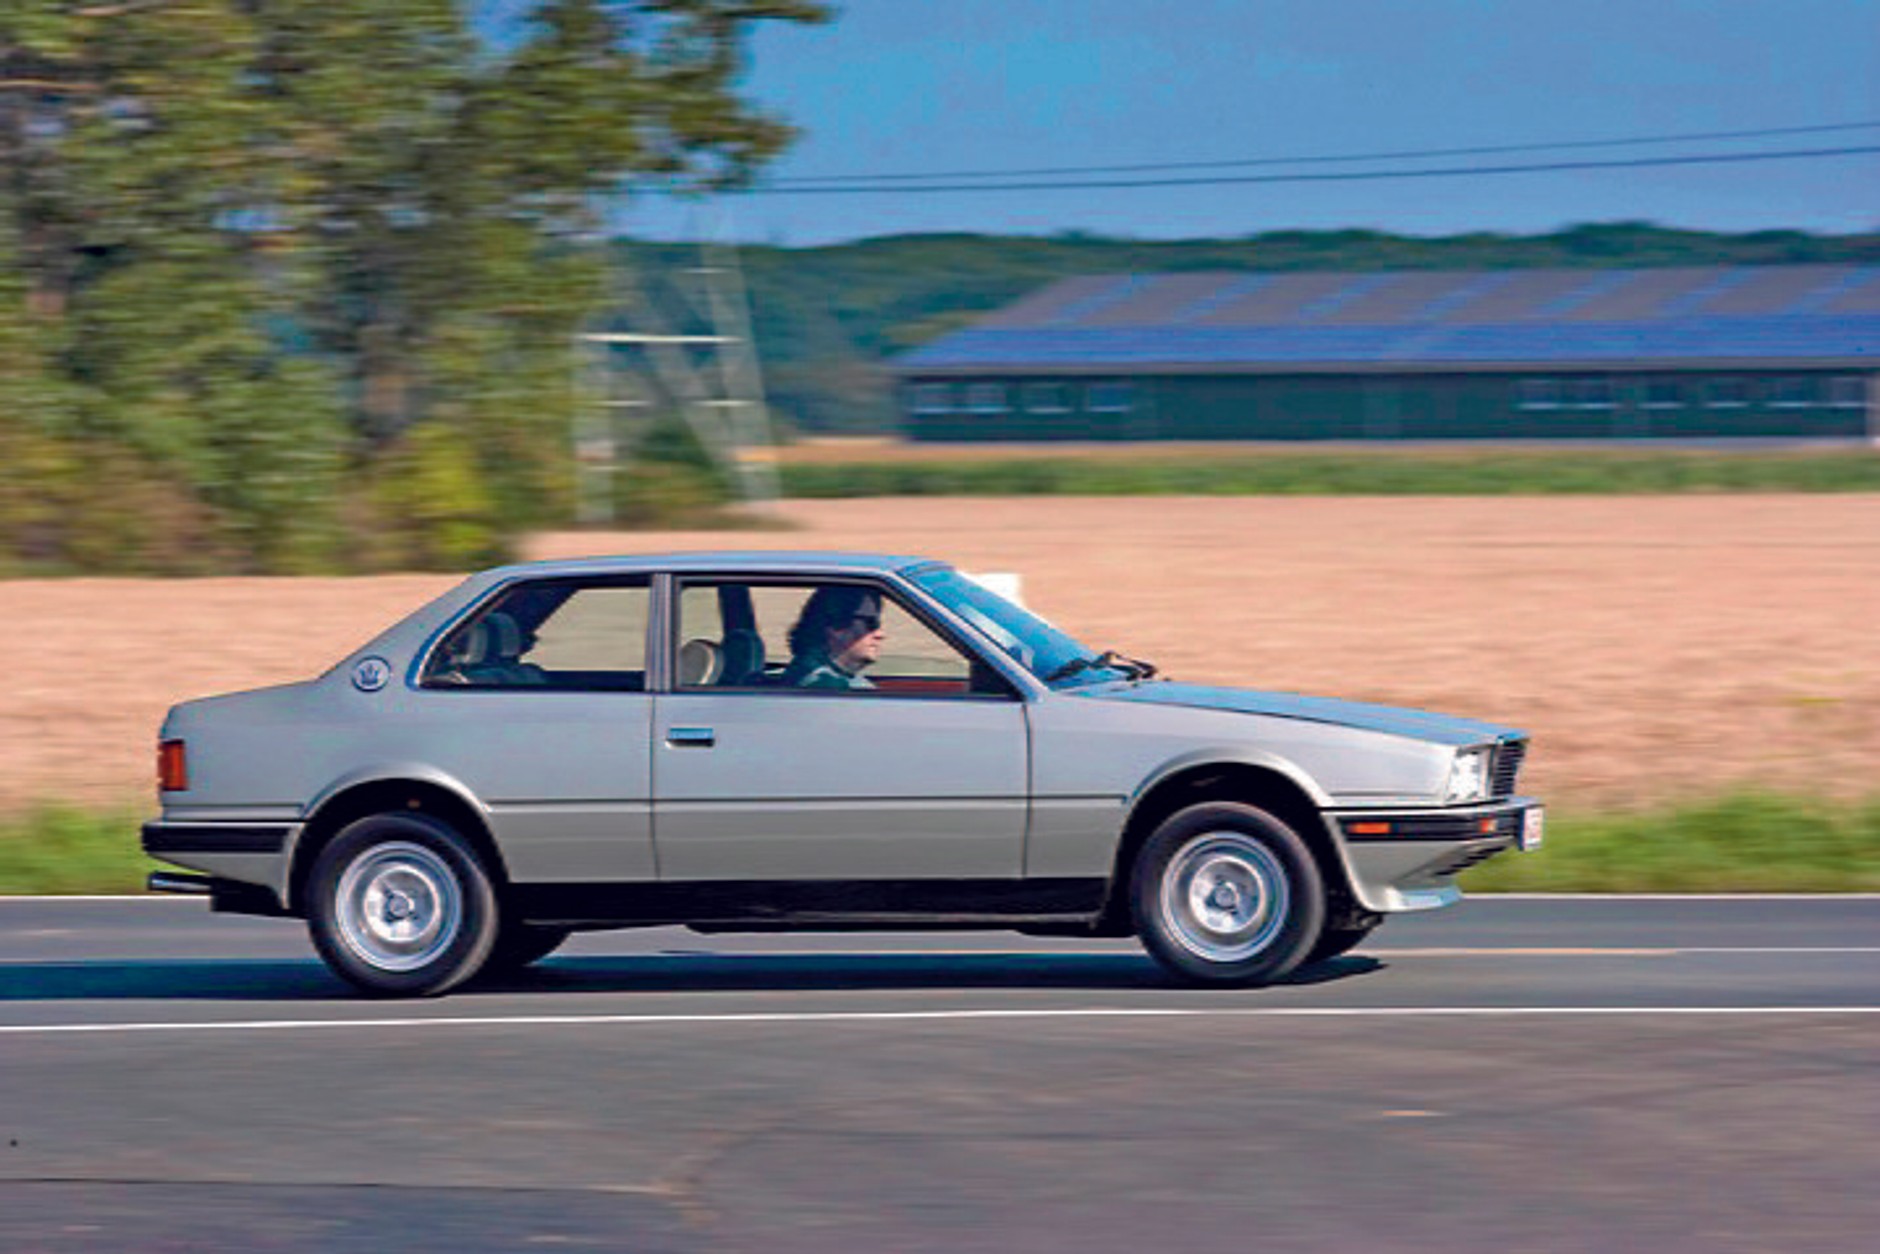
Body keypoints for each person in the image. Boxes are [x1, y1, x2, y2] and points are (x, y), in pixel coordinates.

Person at [781, 585, 885, 690]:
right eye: (871, 623)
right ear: (837, 625)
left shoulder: (835, 677)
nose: (880, 635)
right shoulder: (823, 685)